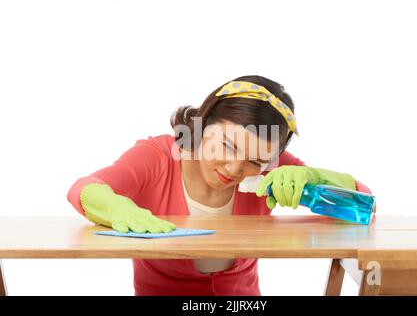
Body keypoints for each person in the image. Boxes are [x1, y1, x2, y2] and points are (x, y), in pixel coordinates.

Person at [67, 75, 372, 295]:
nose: (234, 167)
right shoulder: (159, 156)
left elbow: (363, 202)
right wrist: (115, 207)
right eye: (226, 145)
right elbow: (85, 187)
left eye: (255, 161)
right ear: (202, 123)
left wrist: (314, 177)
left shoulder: (272, 169)